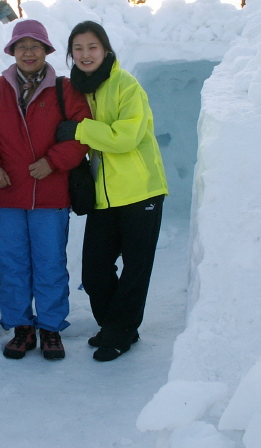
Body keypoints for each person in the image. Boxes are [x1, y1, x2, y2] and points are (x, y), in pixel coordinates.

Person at [0, 19, 90, 360]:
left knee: (50, 263)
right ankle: (21, 327)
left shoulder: (65, 91)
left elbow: (83, 133)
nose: (29, 52)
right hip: (7, 197)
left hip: (51, 196)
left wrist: (53, 161)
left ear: (47, 51)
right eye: (22, 46)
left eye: (35, 46)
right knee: (12, 264)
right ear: (13, 51)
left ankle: (50, 328)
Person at [56, 20, 168, 362]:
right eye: (78, 48)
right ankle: (114, 326)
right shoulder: (79, 89)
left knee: (136, 268)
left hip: (140, 191)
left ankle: (120, 332)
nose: (85, 54)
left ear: (105, 49)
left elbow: (126, 137)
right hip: (104, 196)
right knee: (94, 270)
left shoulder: (126, 85)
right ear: (71, 54)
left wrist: (80, 130)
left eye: (92, 47)